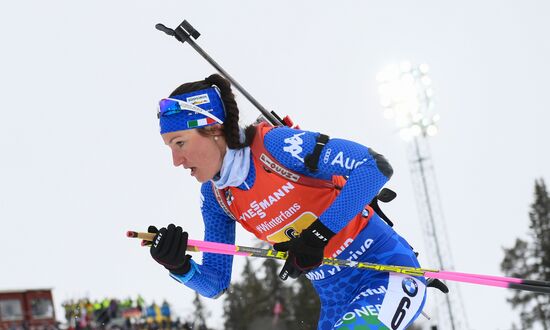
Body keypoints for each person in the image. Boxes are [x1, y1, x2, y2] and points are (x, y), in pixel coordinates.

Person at [146, 73, 427, 329]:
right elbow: (216, 284)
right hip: (335, 302)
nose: (176, 161)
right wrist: (179, 266)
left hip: (387, 273)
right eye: (170, 148)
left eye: (179, 143)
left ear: (213, 129)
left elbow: (374, 167)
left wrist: (318, 236)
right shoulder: (217, 197)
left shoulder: (275, 147)